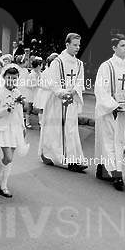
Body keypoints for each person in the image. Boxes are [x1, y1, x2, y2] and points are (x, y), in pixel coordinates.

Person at [93, 34, 125, 190]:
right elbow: (101, 89)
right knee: (108, 141)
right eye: (122, 45)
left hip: (123, 111)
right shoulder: (106, 66)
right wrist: (113, 105)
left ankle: (103, 169)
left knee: (119, 141)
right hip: (108, 110)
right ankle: (116, 174)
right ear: (114, 48)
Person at [39, 34, 87, 172]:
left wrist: (73, 92)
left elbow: (80, 81)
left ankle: (73, 159)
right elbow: (52, 82)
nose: (77, 48)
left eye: (79, 45)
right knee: (56, 129)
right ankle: (51, 154)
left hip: (70, 101)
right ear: (67, 44)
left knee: (71, 129)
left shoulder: (79, 64)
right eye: (75, 45)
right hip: (57, 101)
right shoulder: (57, 62)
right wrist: (62, 92)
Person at [0, 65, 28, 197]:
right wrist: (6, 110)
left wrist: (23, 127)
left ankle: (3, 184)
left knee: (10, 159)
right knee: (8, 157)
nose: (11, 81)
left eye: (14, 78)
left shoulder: (18, 93)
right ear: (4, 77)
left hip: (15, 128)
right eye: (9, 78)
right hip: (3, 128)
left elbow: (19, 112)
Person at [24, 57, 43, 129]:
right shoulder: (31, 75)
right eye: (41, 65)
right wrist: (36, 85)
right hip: (31, 93)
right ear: (38, 66)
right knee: (30, 108)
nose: (42, 67)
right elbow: (27, 85)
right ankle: (27, 122)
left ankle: (41, 122)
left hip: (38, 93)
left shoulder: (40, 73)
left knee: (40, 107)